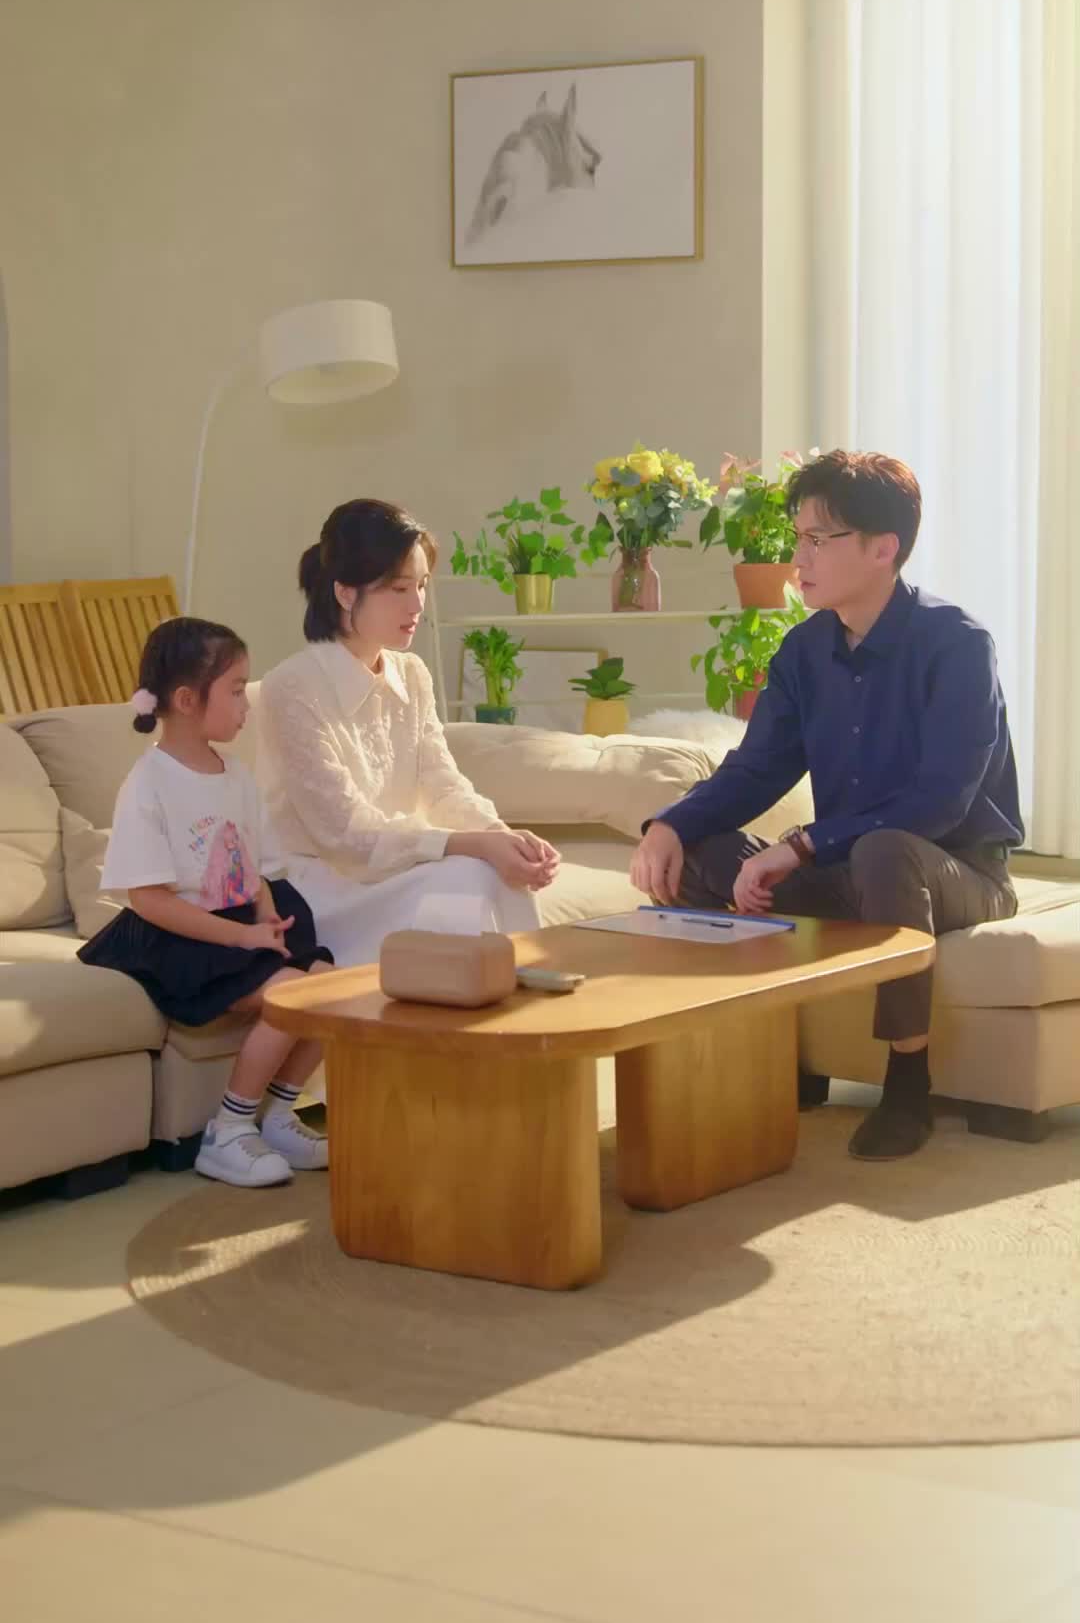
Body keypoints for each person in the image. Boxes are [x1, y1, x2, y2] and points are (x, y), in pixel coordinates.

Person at [631, 450, 1023, 1162]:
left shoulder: (957, 644)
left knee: (886, 849)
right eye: (799, 537)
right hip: (848, 872)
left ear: (883, 548)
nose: (798, 558)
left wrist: (803, 845)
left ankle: (908, 1084)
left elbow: (942, 800)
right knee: (705, 849)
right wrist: (670, 824)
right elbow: (756, 770)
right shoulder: (803, 651)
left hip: (956, 870)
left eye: (819, 539)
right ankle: (770, 1055)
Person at [79, 617, 336, 1188]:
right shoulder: (149, 782)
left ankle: (277, 1118)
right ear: (187, 699)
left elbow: (253, 864)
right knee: (291, 995)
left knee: (331, 989)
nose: (247, 705)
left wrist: (264, 911)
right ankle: (228, 1131)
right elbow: (148, 899)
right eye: (237, 690)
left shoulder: (236, 774)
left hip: (238, 922)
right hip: (178, 935)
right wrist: (242, 936)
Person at [256, 498, 559, 982]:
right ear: (345, 592)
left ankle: (519, 1001)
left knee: (494, 870)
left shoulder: (412, 674)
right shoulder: (292, 687)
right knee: (468, 875)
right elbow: (344, 834)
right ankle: (472, 1006)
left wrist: (503, 838)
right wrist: (471, 845)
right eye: (399, 588)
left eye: (421, 585)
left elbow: (443, 785)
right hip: (323, 888)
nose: (417, 604)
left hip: (396, 868)